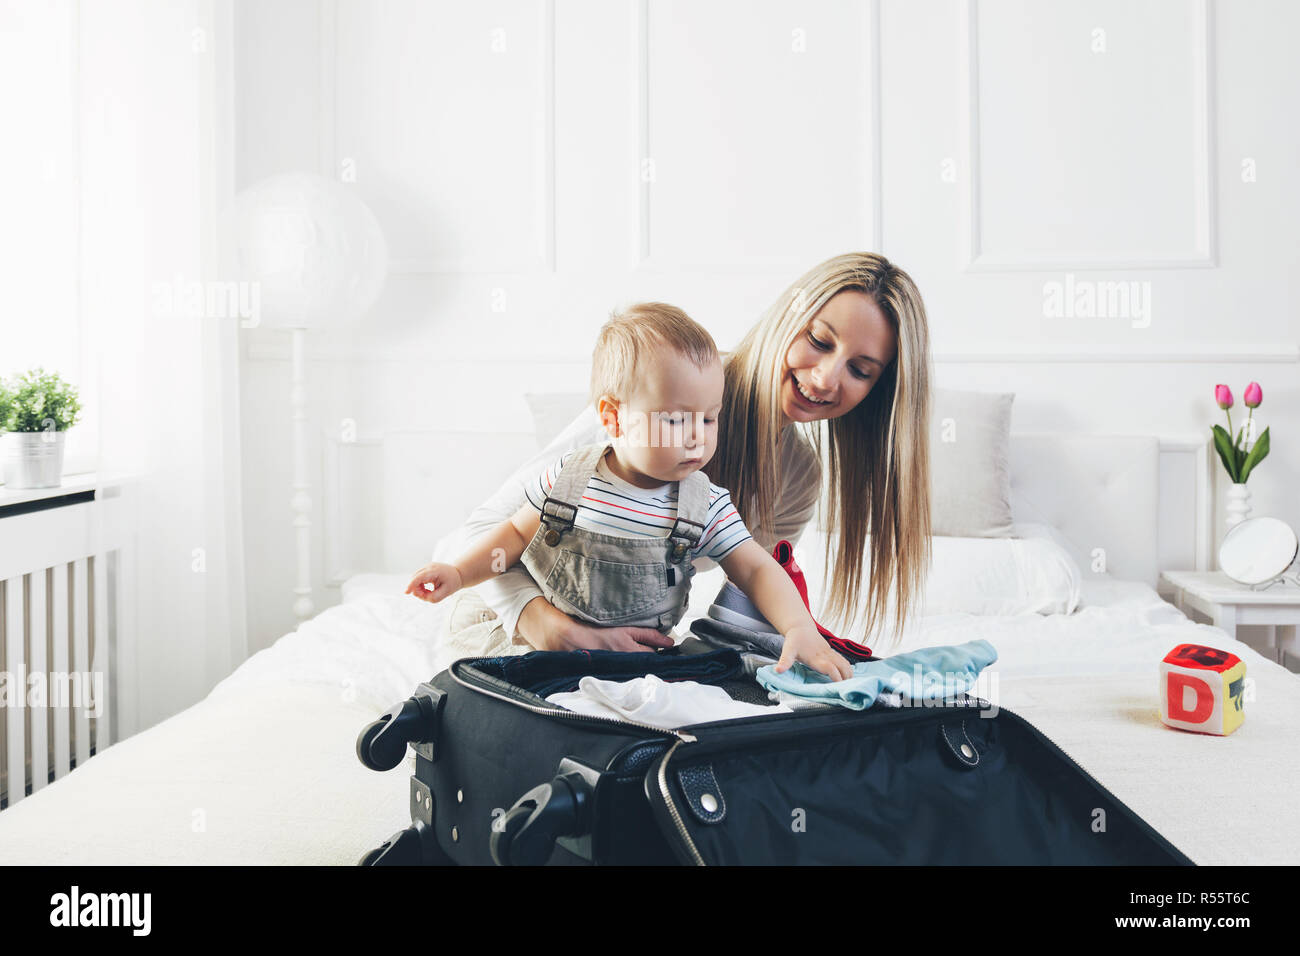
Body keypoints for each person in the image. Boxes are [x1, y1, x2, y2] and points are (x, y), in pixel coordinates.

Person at [440, 252, 932, 658]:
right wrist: (551, 628)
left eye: (861, 370)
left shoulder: (799, 476)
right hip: (512, 625)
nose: (826, 378)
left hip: (624, 645)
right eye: (819, 341)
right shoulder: (663, 387)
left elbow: (756, 580)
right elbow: (474, 538)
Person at [407, 304, 854, 680]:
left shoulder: (709, 504)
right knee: (510, 695)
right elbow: (510, 535)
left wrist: (799, 627)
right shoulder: (572, 476)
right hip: (531, 640)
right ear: (615, 418)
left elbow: (757, 569)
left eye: (710, 418)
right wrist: (460, 573)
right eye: (677, 420)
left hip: (629, 659)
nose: (697, 437)